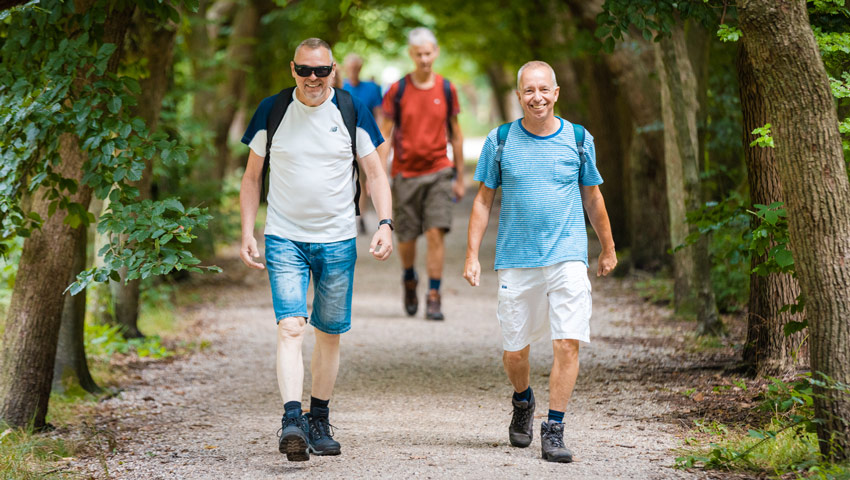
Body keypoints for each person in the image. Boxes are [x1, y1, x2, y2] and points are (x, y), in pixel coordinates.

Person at [239, 38, 393, 462]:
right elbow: (252, 178)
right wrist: (247, 231)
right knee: (290, 327)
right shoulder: (272, 110)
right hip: (284, 236)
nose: (312, 79)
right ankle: (292, 419)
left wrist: (384, 223)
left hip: (339, 238)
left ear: (333, 70)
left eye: (320, 71)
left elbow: (375, 173)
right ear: (293, 70)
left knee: (328, 332)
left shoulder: (350, 109)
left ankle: (318, 418)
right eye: (304, 70)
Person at [463, 61, 617, 463]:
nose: (537, 97)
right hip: (516, 258)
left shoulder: (579, 139)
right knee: (516, 350)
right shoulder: (500, 141)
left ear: (556, 92)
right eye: (529, 91)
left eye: (544, 90)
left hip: (567, 254)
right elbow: (482, 200)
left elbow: (593, 197)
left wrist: (608, 247)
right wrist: (472, 255)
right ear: (518, 95)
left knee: (567, 340)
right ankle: (523, 399)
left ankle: (555, 427)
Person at [381, 27, 464, 321]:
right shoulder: (397, 90)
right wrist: (378, 177)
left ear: (436, 52)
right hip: (405, 173)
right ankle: (409, 279)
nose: (425, 59)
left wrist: (460, 177)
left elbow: (456, 133)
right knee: (406, 237)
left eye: (429, 53)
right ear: (411, 55)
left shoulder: (446, 88)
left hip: (439, 171)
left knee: (435, 232)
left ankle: (434, 295)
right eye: (419, 54)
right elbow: (385, 134)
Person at [341, 53, 385, 234]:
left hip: (364, 140)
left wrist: (379, 139)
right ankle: (346, 217)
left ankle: (360, 218)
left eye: (357, 67)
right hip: (342, 140)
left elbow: (379, 114)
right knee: (344, 180)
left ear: (361, 68)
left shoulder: (372, 88)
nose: (353, 70)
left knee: (361, 179)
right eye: (350, 67)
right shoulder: (339, 87)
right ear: (345, 68)